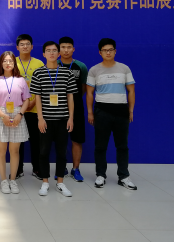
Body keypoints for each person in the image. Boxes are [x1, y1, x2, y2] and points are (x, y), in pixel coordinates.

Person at [86, 38, 137, 190]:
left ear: (115, 51)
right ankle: (101, 175)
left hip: (121, 111)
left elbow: (131, 91)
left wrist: (130, 110)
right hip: (102, 111)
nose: (108, 52)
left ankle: (124, 176)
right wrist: (90, 112)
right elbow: (89, 93)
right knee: (100, 146)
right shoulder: (94, 70)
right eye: (104, 50)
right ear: (100, 52)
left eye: (110, 50)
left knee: (122, 146)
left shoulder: (124, 68)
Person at [30, 41, 77, 197]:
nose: (51, 53)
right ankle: (45, 182)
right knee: (43, 151)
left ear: (59, 53)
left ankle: (60, 182)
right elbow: (37, 97)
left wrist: (71, 118)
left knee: (61, 152)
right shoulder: (38, 73)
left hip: (63, 119)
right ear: (43, 54)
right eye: (48, 50)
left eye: (54, 50)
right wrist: (40, 118)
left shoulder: (67, 73)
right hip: (46, 120)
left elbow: (70, 97)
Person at [0, 52, 31, 194]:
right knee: (1, 150)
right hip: (1, 114)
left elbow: (26, 100)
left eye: (10, 61)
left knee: (15, 150)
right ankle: (4, 181)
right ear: (1, 63)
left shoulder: (20, 80)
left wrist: (20, 114)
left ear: (14, 63)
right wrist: (2, 116)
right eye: (5, 61)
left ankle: (13, 180)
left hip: (17, 114)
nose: (8, 63)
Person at [58, 36, 89, 182]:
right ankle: (61, 168)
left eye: (69, 47)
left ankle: (75, 169)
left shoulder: (81, 66)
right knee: (60, 140)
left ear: (73, 49)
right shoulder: (54, 64)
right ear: (59, 50)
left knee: (77, 140)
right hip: (58, 108)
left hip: (76, 108)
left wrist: (73, 101)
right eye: (63, 47)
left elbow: (83, 88)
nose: (66, 50)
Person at [15, 34, 45, 180]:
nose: (25, 46)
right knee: (17, 142)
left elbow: (43, 85)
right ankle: (18, 169)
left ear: (32, 46)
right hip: (17, 109)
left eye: (27, 44)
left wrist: (32, 102)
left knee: (36, 141)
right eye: (22, 44)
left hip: (34, 108)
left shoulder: (39, 63)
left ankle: (37, 169)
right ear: (17, 47)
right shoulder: (12, 62)